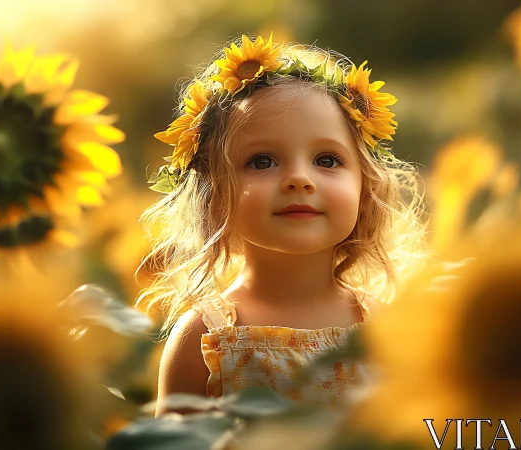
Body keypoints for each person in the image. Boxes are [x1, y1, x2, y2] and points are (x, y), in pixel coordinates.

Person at [138, 34, 428, 415]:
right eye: (261, 162)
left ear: (365, 186)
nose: (299, 180)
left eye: (326, 160)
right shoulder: (205, 339)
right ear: (215, 192)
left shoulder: (386, 330)